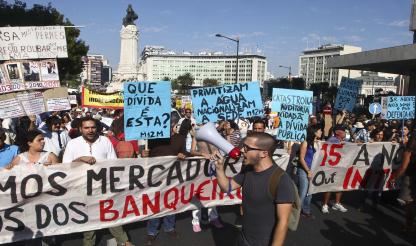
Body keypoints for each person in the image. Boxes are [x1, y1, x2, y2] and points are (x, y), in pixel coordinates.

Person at [214, 132, 296, 246]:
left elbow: (283, 222)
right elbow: (226, 187)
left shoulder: (281, 180)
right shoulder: (248, 170)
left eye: (247, 147)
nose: (242, 150)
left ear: (264, 153)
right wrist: (219, 168)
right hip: (243, 238)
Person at [62, 117, 134, 246]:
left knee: (111, 214)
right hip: (83, 187)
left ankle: (123, 241)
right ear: (80, 129)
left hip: (104, 185)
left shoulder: (105, 141)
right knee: (90, 218)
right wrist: (80, 159)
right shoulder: (73, 144)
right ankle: (89, 243)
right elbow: (65, 167)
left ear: (97, 128)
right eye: (86, 128)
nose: (90, 130)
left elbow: (113, 162)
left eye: (93, 127)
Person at [391, 130, 416, 232]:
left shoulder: (409, 150)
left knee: (408, 203)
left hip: (411, 178)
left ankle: (408, 225)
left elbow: (403, 167)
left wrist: (394, 177)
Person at [321, 125, 348, 213]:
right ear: (337, 132)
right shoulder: (332, 140)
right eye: (343, 130)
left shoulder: (342, 141)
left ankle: (337, 203)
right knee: (329, 185)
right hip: (331, 167)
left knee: (339, 186)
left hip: (340, 166)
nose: (345, 132)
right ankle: (325, 205)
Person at [297, 126, 322, 218]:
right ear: (314, 132)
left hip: (313, 170)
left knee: (310, 193)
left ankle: (306, 211)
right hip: (304, 169)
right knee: (303, 192)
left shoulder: (319, 143)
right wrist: (307, 170)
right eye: (320, 130)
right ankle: (296, 212)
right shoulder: (305, 143)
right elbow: (301, 158)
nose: (321, 132)